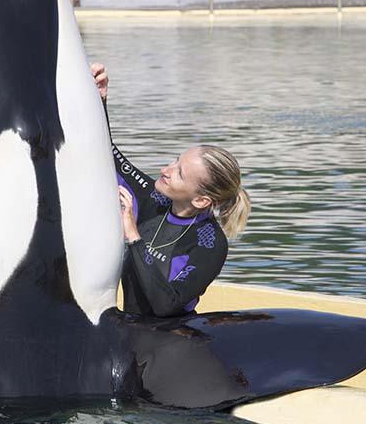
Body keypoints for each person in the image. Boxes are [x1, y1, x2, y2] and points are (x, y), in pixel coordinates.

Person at [91, 63, 251, 318]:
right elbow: (110, 157)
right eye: (176, 160)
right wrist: (99, 101)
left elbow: (166, 304)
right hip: (129, 330)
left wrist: (134, 237)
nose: (166, 169)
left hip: (169, 343)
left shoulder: (209, 244)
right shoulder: (156, 201)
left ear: (200, 200)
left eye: (179, 173)